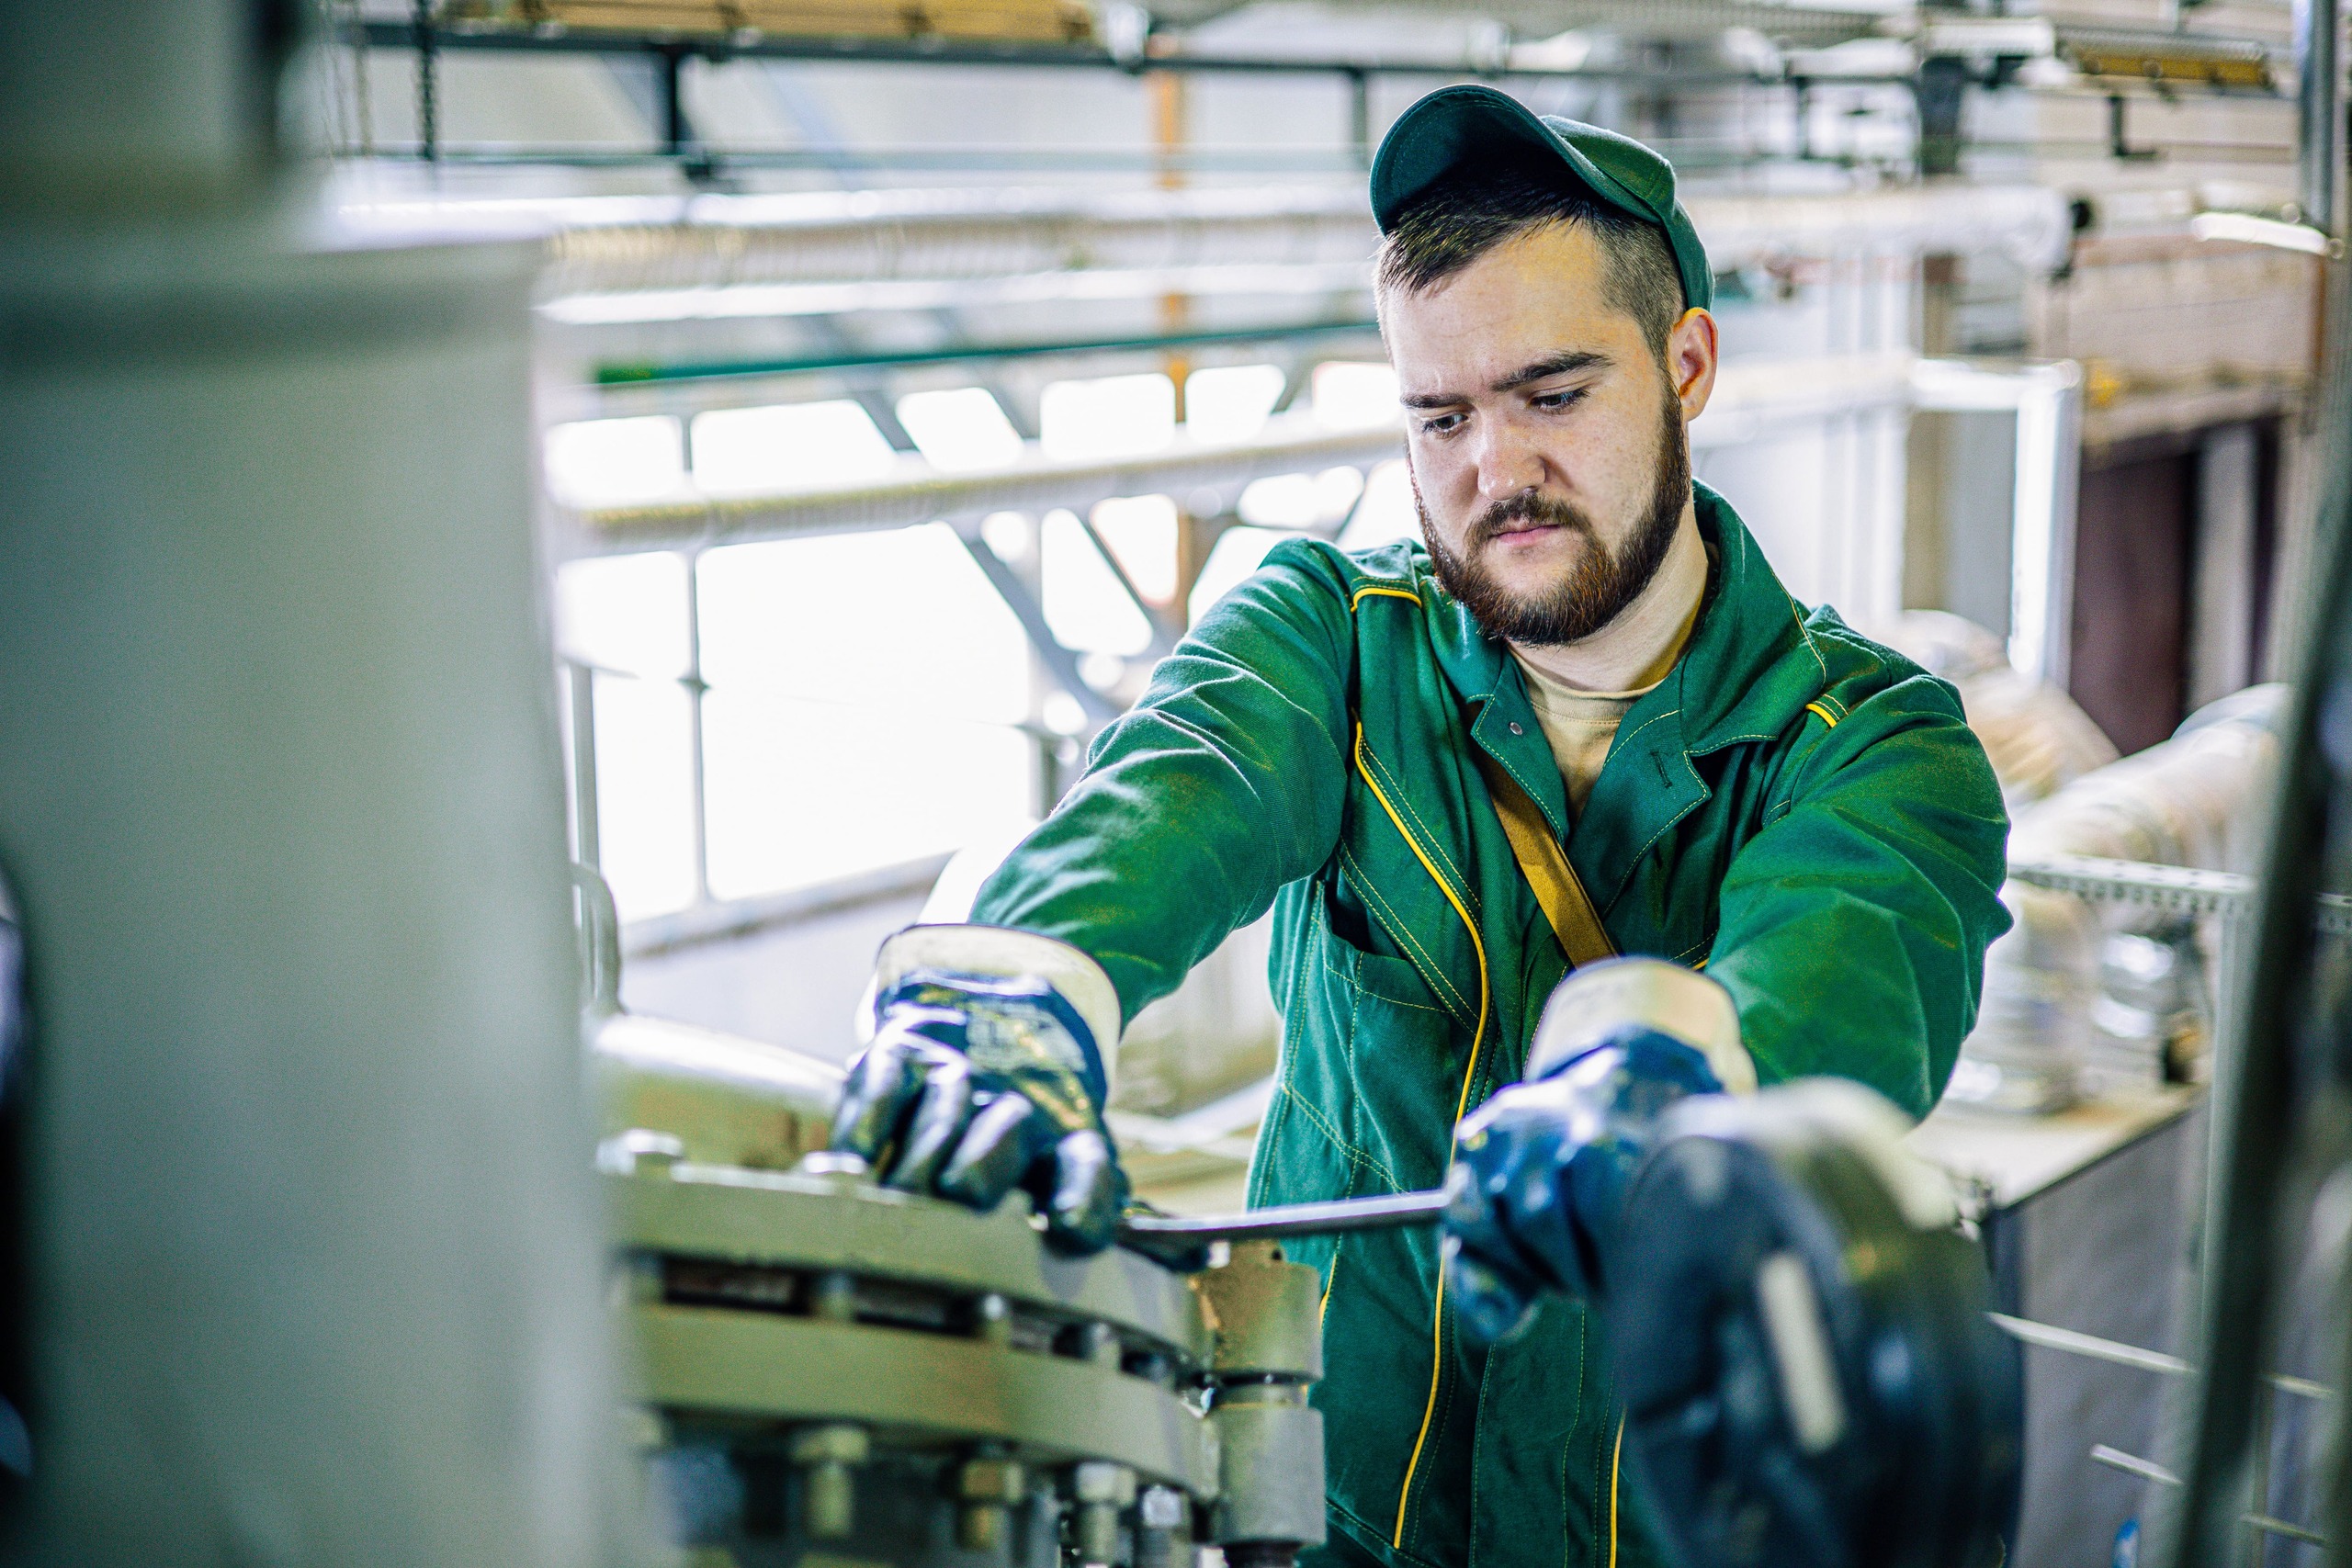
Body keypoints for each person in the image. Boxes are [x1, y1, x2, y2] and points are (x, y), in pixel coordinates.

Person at [829, 85, 2010, 1568]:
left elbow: (1844, 964)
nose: (1493, 471)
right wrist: (1012, 981)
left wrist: (1674, 1089)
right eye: (1440, 417)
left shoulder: (1875, 745)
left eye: (1554, 395)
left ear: (1687, 361)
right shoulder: (1331, 645)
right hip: (1325, 1518)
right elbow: (1164, 792)